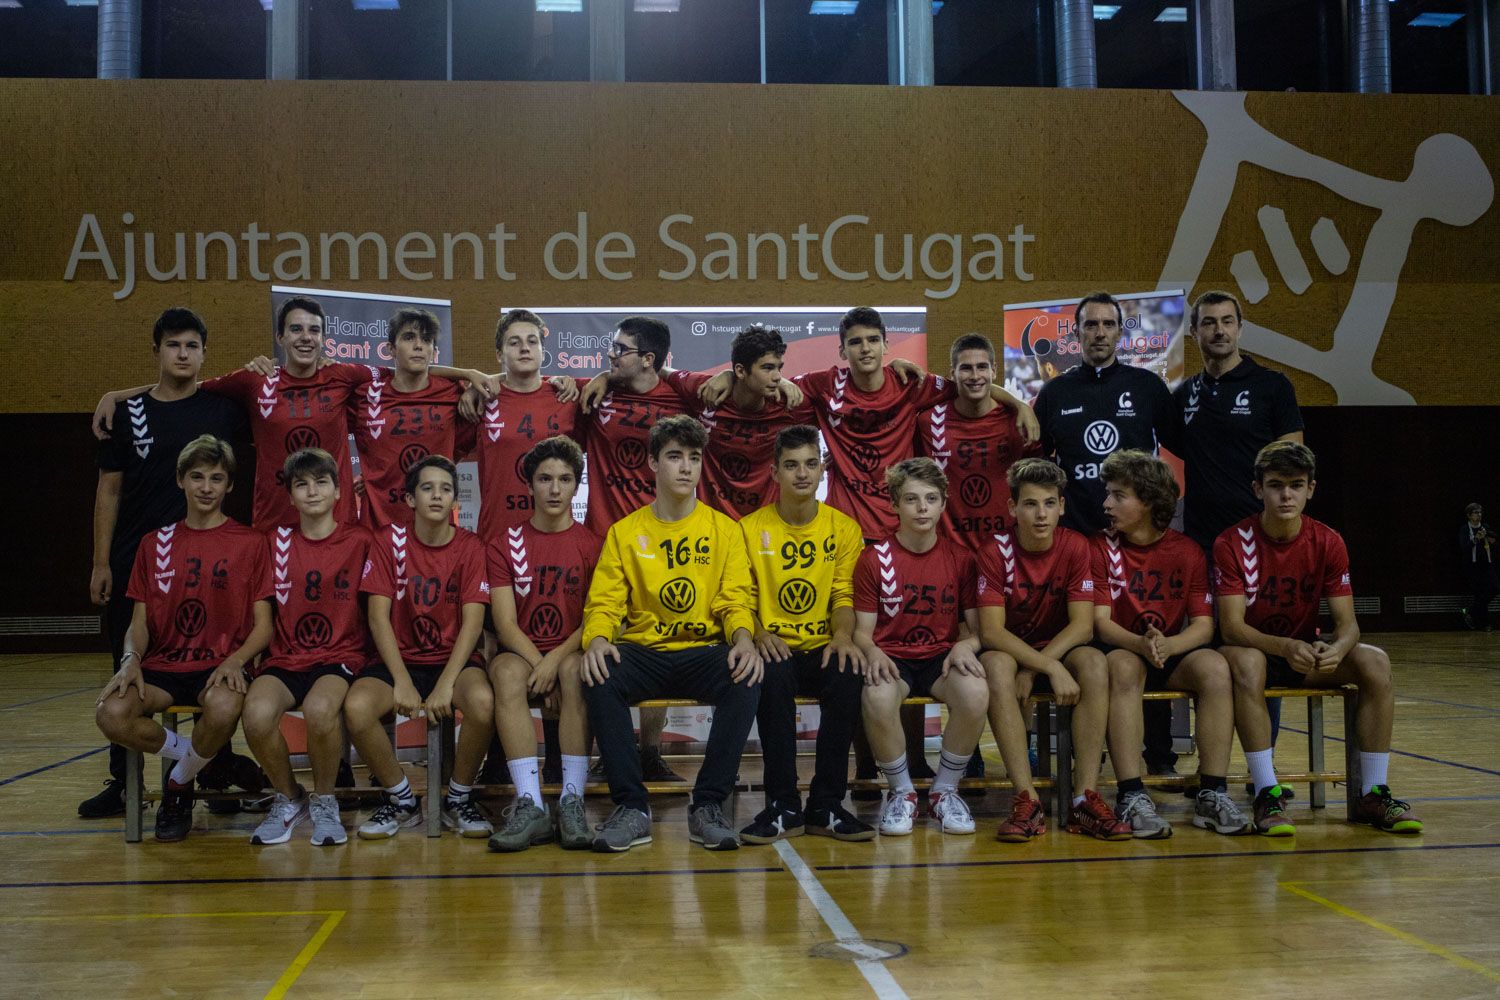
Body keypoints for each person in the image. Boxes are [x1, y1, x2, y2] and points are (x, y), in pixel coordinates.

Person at [91, 296, 494, 530]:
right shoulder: (253, 381)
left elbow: (408, 366)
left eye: (314, 330)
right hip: (274, 521)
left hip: (337, 522)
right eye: (296, 330)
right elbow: (187, 385)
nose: (305, 337)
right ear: (281, 337)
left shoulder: (345, 375)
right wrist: (121, 395)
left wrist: (468, 373)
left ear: (324, 338)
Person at [81, 307, 257, 819]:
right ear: (157, 350)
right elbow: (108, 489)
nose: (183, 354)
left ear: (203, 354)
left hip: (211, 563)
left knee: (211, 661)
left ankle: (216, 770)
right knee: (128, 671)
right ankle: (126, 780)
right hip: (142, 563)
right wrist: (101, 562)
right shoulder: (128, 412)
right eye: (173, 345)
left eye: (192, 346)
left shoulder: (222, 408)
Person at [1217, 442, 1423, 835]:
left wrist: (1337, 649)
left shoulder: (1328, 541)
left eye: (1296, 485)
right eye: (1276, 485)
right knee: (1247, 660)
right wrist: (1285, 647)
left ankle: (1372, 793)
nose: (1286, 495)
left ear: (1311, 488)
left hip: (1305, 656)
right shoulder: (1232, 542)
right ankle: (1266, 793)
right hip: (1257, 655)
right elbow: (1231, 627)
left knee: (1374, 660)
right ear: (1257, 489)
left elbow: (1348, 625)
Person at [579, 415, 763, 853]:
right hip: (645, 650)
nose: (686, 467)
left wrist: (742, 638)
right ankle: (632, 808)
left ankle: (709, 805)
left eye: (694, 458)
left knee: (748, 674)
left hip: (703, 650)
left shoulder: (724, 529)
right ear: (652, 464)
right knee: (599, 674)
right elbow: (604, 602)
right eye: (674, 457)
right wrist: (599, 638)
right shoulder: (625, 532)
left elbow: (735, 598)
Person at [93, 436, 273, 842]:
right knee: (110, 713)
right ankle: (205, 764)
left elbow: (265, 627)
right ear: (180, 481)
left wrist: (235, 660)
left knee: (225, 707)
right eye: (196, 477)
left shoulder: (251, 543)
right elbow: (138, 623)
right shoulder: (153, 544)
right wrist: (130, 659)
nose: (206, 487)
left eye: (216, 478)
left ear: (229, 486)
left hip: (219, 663)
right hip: (164, 665)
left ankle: (179, 789)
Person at [1033, 291, 1181, 777]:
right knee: (1088, 652)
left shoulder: (1148, 387)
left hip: (1141, 541)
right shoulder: (1055, 393)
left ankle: (1158, 756)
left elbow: (1180, 447)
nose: (1099, 333)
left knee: (1147, 635)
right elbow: (1040, 462)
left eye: (1107, 325)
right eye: (1090, 325)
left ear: (1121, 332)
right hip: (1079, 540)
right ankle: (1078, 754)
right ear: (1076, 335)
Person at [1091, 450, 1250, 838]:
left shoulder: (1187, 551)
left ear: (1147, 501)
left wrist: (1170, 645)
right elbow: (1099, 622)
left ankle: (1212, 791)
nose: (1106, 504)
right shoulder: (1098, 548)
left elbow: (1203, 625)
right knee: (1123, 667)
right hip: (1126, 650)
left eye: (1118, 495)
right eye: (1107, 494)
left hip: (1170, 651)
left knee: (1214, 667)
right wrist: (1141, 645)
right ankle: (1131, 793)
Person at [974, 458, 1131, 842]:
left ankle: (1083, 799)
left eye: (1048, 503)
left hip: (1059, 647)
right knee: (995, 665)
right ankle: (1026, 801)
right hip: (1012, 649)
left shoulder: (1076, 546)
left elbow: (1082, 625)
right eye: (1030, 504)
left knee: (1095, 661)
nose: (1040, 514)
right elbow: (993, 633)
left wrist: (1043, 667)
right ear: (1012, 508)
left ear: (1062, 505)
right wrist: (1041, 666)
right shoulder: (994, 551)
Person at [348, 456, 496, 839]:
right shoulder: (388, 540)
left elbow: (473, 623)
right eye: (427, 488)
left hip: (453, 659)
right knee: (357, 707)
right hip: (400, 659)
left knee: (481, 702)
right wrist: (401, 680)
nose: (437, 495)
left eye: (446, 489)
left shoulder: (470, 545)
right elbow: (378, 617)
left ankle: (458, 797)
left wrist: (447, 683)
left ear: (454, 501)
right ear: (411, 499)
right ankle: (402, 800)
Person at [737, 425, 873, 843]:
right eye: (791, 465)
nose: (802, 474)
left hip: (822, 645)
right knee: (771, 676)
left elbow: (843, 595)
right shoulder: (746, 528)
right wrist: (758, 633)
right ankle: (782, 804)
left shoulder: (844, 528)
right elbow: (740, 597)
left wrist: (844, 637)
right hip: (775, 646)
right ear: (774, 472)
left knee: (849, 673)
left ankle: (827, 805)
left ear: (822, 470)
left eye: (811, 464)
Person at [575, 316, 690, 782]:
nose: (609, 355)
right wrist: (603, 376)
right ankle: (613, 751)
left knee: (658, 640)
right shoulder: (597, 395)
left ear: (648, 359)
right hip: (605, 538)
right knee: (608, 648)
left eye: (619, 349)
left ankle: (651, 751)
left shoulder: (682, 399)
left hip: (662, 543)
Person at [242, 449, 373, 846]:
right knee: (256, 713)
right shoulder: (275, 542)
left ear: (338, 492)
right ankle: (289, 798)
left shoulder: (360, 540)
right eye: (302, 484)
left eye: (321, 483)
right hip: (287, 657)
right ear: (290, 495)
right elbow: (263, 619)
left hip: (342, 655)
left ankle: (326, 801)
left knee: (320, 710)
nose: (312, 491)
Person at [854, 458, 990, 837]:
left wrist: (969, 645)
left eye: (931, 498)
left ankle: (945, 791)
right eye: (912, 499)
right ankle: (903, 794)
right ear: (895, 504)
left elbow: (976, 630)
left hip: (941, 658)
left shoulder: (960, 559)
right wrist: (873, 652)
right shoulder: (873, 559)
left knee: (976, 691)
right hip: (893, 657)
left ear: (944, 503)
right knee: (877, 696)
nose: (922, 508)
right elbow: (862, 633)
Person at [485, 436, 602, 852]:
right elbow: (504, 623)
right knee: (503, 672)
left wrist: (554, 663)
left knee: (576, 670)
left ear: (576, 486)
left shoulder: (592, 544)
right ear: (529, 485)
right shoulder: (504, 543)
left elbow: (595, 618)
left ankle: (571, 801)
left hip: (570, 651)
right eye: (545, 479)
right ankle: (530, 804)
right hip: (523, 652)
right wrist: (541, 667)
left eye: (565, 479)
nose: (555, 489)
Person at [658, 325, 809, 518]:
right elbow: (660, 371)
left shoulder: (788, 403)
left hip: (765, 528)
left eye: (779, 368)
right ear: (740, 370)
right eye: (767, 368)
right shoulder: (707, 390)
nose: (777, 376)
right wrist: (605, 378)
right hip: (715, 527)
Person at [351, 307, 477, 529]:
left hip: (435, 530)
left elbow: (505, 385)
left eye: (426, 340)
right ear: (391, 348)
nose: (419, 345)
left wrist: (473, 385)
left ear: (433, 351)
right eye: (409, 337)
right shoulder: (365, 395)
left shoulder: (452, 392)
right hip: (379, 529)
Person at [918, 333, 1038, 546]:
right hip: (951, 550)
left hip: (1007, 549)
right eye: (966, 368)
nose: (975, 376)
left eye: (982, 367)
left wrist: (1021, 406)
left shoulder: (1019, 422)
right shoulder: (929, 423)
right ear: (952, 373)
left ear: (994, 370)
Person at [1460, 502, 1497, 631]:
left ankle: (1470, 612)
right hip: (1473, 566)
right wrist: (1476, 539)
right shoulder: (1465, 529)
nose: (1479, 515)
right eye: (1476, 513)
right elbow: (1464, 548)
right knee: (1480, 594)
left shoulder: (1485, 527)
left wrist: (1490, 538)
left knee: (1494, 588)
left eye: (1480, 512)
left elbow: (1494, 539)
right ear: (1469, 516)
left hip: (1487, 564)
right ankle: (1485, 624)